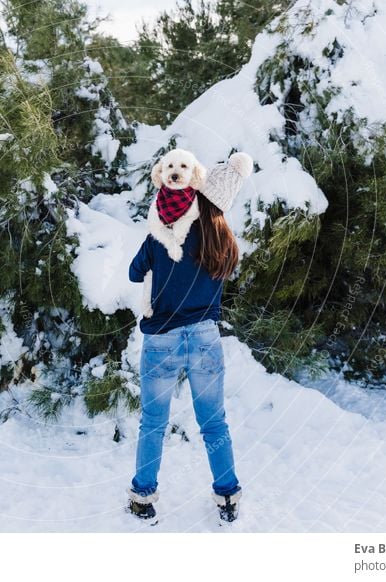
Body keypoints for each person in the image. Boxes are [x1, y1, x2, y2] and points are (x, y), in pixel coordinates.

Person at [126, 152, 253, 526]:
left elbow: (136, 273)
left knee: (153, 422)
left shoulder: (159, 237)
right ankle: (227, 495)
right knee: (214, 423)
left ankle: (143, 497)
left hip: (162, 337)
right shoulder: (220, 239)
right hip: (205, 338)